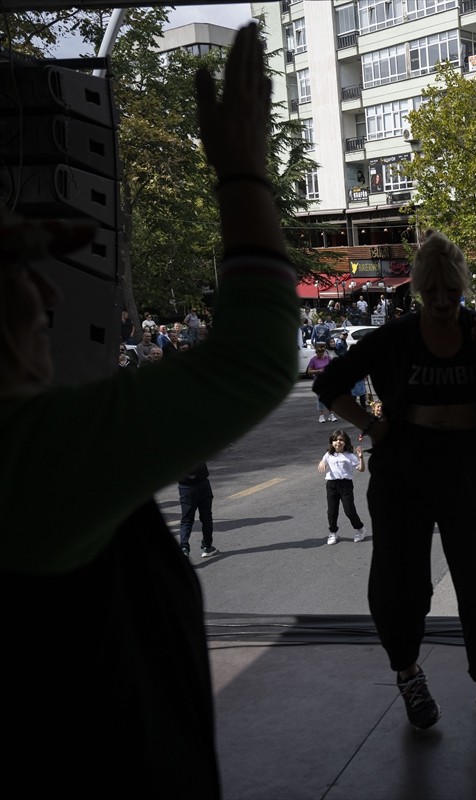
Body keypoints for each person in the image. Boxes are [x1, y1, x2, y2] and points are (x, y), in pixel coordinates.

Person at [0, 23, 294, 795]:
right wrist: (241, 174)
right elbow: (255, 358)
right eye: (22, 272)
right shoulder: (28, 462)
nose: (51, 289)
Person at [313, 209, 476, 744]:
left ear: (462, 288)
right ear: (418, 289)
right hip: (404, 467)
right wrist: (371, 426)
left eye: (450, 292)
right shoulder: (395, 337)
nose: (440, 302)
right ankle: (408, 674)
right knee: (400, 583)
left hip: (469, 466)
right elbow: (331, 383)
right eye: (430, 292)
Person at [318, 430, 367, 544]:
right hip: (331, 485)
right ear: (331, 442)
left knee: (349, 511)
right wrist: (321, 462)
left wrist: (361, 458)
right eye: (335, 440)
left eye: (341, 440)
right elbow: (323, 461)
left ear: (345, 442)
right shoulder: (328, 454)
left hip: (345, 485)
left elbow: (361, 469)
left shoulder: (349, 456)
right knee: (332, 511)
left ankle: (360, 529)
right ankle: (333, 533)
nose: (338, 442)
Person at [178, 462, 217, 558]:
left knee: (187, 519)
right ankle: (207, 546)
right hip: (203, 484)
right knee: (206, 517)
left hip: (185, 487)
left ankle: (184, 547)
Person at [307, 342, 336, 422]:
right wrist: (318, 370)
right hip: (319, 381)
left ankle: (331, 414)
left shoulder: (328, 358)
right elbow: (309, 372)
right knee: (320, 398)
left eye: (322, 354)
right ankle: (321, 416)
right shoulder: (313, 359)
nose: (321, 356)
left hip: (328, 381)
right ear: (316, 353)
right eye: (319, 354)